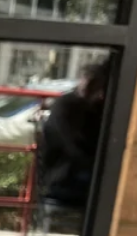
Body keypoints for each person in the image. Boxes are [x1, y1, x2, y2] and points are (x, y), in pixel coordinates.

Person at [39, 57, 111, 208]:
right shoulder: (68, 106)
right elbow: (76, 148)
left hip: (73, 175)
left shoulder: (93, 107)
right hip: (67, 178)